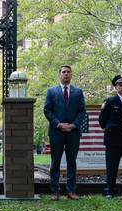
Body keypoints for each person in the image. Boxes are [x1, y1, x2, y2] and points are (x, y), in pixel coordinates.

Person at [44, 65, 86, 201]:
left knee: (71, 162)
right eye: (63, 72)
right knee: (55, 162)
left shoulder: (78, 92)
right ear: (59, 75)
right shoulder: (51, 91)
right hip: (56, 132)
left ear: (71, 75)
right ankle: (55, 191)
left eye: (68, 72)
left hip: (73, 132)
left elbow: (82, 111)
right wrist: (58, 124)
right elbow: (47, 110)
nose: (66, 74)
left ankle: (71, 191)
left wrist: (73, 125)